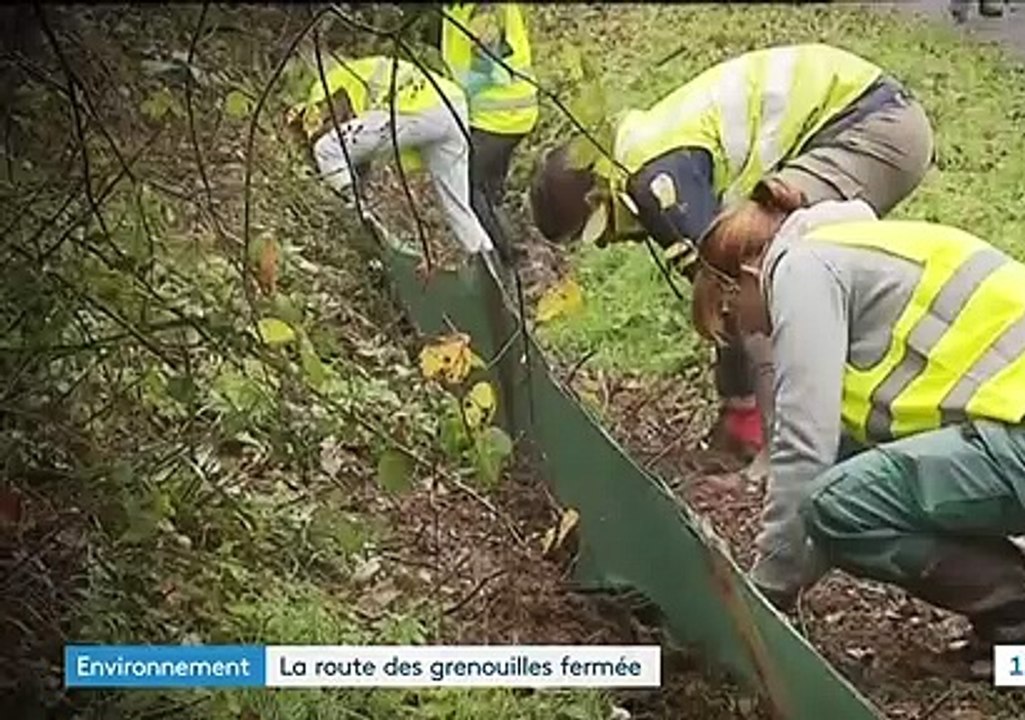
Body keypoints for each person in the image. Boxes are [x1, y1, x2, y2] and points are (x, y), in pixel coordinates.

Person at [690, 178, 1025, 676]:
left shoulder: (801, 269)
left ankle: (1024, 615)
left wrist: (764, 597)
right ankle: (1024, 630)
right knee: (842, 495)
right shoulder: (859, 259)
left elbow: (805, 456)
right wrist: (780, 581)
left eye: (729, 313)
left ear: (744, 275)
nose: (747, 332)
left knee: (837, 502)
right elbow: (837, 479)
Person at [529, 43, 934, 471]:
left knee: (774, 281)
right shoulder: (641, 150)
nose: (607, 244)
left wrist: (754, 437)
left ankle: (784, 459)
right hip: (872, 115)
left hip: (870, 125)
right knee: (775, 285)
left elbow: (743, 294)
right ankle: (809, 430)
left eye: (594, 233)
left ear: (596, 200)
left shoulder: (652, 183)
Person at [284, 52, 497, 269]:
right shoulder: (366, 70)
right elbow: (374, 143)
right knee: (456, 205)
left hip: (417, 108)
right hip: (453, 104)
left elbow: (332, 135)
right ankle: (489, 268)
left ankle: (355, 209)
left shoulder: (327, 87)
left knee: (327, 149)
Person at [439, 3, 539, 259]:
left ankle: (504, 257)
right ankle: (509, 250)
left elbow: (490, 63)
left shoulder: (479, 8)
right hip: (506, 112)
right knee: (489, 189)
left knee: (469, 188)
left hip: (497, 115)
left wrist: (457, 95)